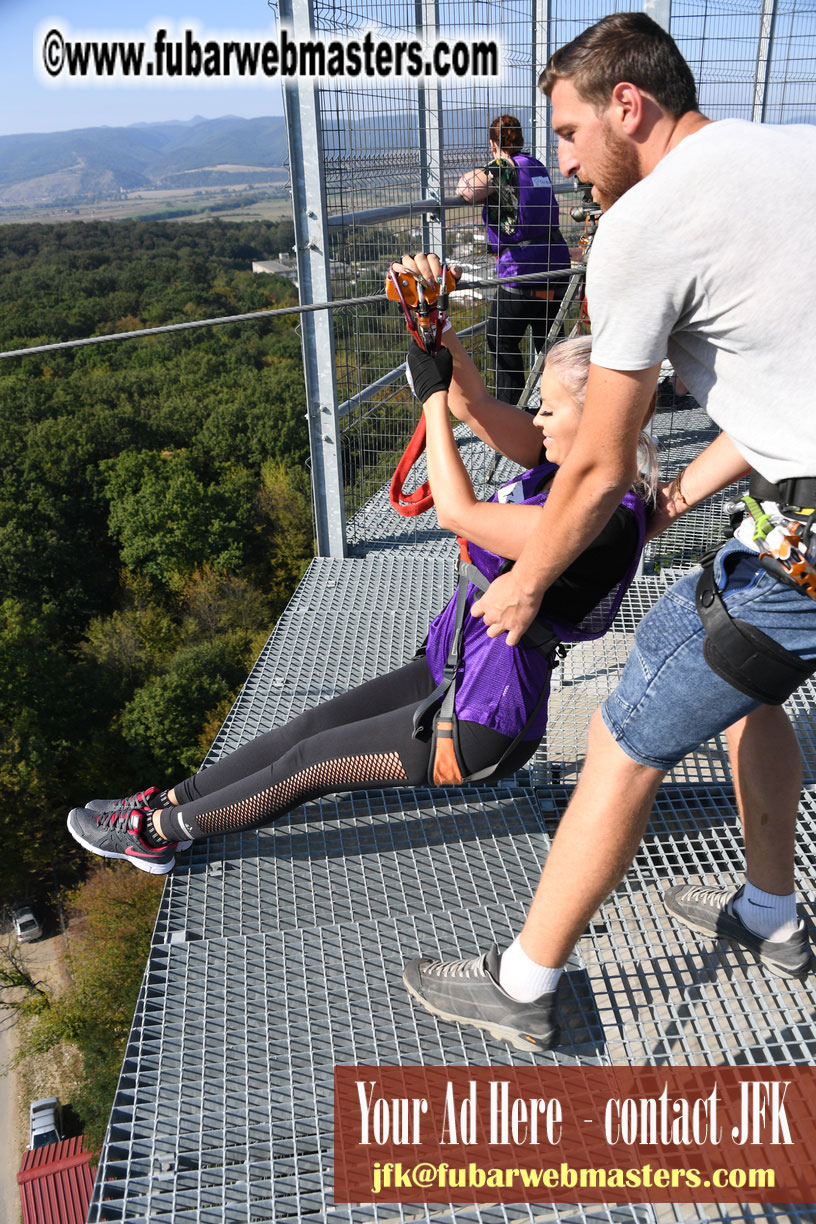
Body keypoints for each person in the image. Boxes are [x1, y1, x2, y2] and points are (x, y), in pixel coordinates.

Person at [402, 12, 816, 1053]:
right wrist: (698, 483)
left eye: (572, 131)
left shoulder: (649, 220)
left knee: (621, 732)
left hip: (806, 538)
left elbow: (592, 464)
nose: (566, 160)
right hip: (792, 503)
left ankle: (524, 982)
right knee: (745, 692)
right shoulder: (789, 153)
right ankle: (771, 914)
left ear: (628, 105)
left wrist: (530, 584)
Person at [67, 332, 654, 875]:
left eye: (550, 407)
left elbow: (459, 513)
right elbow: (473, 405)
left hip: (483, 721)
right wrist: (436, 331)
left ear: (601, 418)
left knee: (315, 762)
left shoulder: (597, 522)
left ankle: (160, 832)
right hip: (455, 668)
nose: (539, 418)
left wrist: (428, 397)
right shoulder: (567, 468)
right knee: (309, 726)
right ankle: (175, 798)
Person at [457, 114, 572, 405]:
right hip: (556, 267)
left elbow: (468, 190)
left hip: (522, 270)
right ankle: (561, 408)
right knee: (551, 347)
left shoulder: (501, 167)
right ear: (520, 139)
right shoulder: (536, 166)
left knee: (500, 338)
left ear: (493, 143)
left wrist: (484, 168)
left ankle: (513, 416)